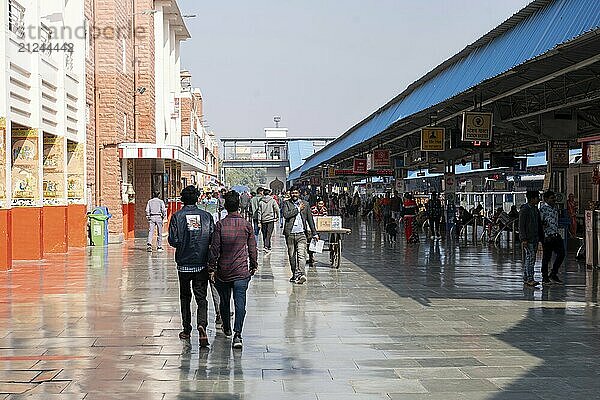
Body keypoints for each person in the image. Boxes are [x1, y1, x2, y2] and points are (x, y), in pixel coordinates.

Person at [208, 191, 258, 349]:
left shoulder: (220, 225)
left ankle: (227, 327)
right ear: (239, 206)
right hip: (241, 271)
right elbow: (252, 248)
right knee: (240, 304)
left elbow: (215, 249)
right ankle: (238, 334)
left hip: (224, 271)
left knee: (224, 301)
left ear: (225, 206)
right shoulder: (246, 224)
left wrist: (211, 268)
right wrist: (254, 265)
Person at [167, 186, 214, 347]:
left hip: (184, 264)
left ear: (182, 199)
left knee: (185, 297)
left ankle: (186, 329)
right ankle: (202, 324)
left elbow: (173, 240)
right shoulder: (206, 217)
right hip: (201, 263)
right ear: (197, 199)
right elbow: (212, 238)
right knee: (201, 297)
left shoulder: (177, 216)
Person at [282, 187, 318, 284]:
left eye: (296, 193)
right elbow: (286, 215)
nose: (294, 195)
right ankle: (294, 273)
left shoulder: (305, 205)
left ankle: (302, 274)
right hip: (290, 234)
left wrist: (314, 233)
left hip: (301, 234)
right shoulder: (286, 203)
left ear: (299, 193)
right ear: (290, 194)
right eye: (292, 193)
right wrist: (298, 209)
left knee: (301, 255)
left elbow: (310, 219)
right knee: (292, 256)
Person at [539, 190, 565, 285]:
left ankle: (553, 273)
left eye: (554, 197)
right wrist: (544, 236)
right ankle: (545, 277)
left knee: (562, 254)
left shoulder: (555, 208)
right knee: (547, 257)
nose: (554, 199)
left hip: (556, 234)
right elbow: (541, 223)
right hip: (547, 237)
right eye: (552, 198)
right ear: (546, 199)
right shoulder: (543, 209)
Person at [519, 190, 544, 287]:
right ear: (532, 198)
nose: (538, 199)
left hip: (535, 238)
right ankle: (530, 278)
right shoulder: (524, 209)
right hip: (528, 239)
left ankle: (526, 277)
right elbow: (521, 225)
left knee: (530, 258)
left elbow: (538, 224)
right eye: (537, 197)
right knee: (531, 257)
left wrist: (541, 237)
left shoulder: (535, 209)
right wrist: (523, 238)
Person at [257, 189, 280, 254]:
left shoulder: (261, 202)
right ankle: (267, 246)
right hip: (270, 219)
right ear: (269, 194)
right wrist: (278, 216)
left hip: (263, 220)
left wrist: (259, 221)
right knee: (269, 233)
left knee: (264, 233)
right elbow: (277, 209)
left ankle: (266, 246)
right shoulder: (272, 201)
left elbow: (259, 212)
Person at [308, 198, 328, 264]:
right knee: (310, 240)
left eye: (322, 204)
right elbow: (310, 217)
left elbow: (325, 217)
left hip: (320, 227)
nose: (320, 205)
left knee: (318, 239)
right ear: (317, 204)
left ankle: (313, 252)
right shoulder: (312, 209)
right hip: (312, 226)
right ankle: (311, 255)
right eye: (319, 204)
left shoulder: (324, 209)